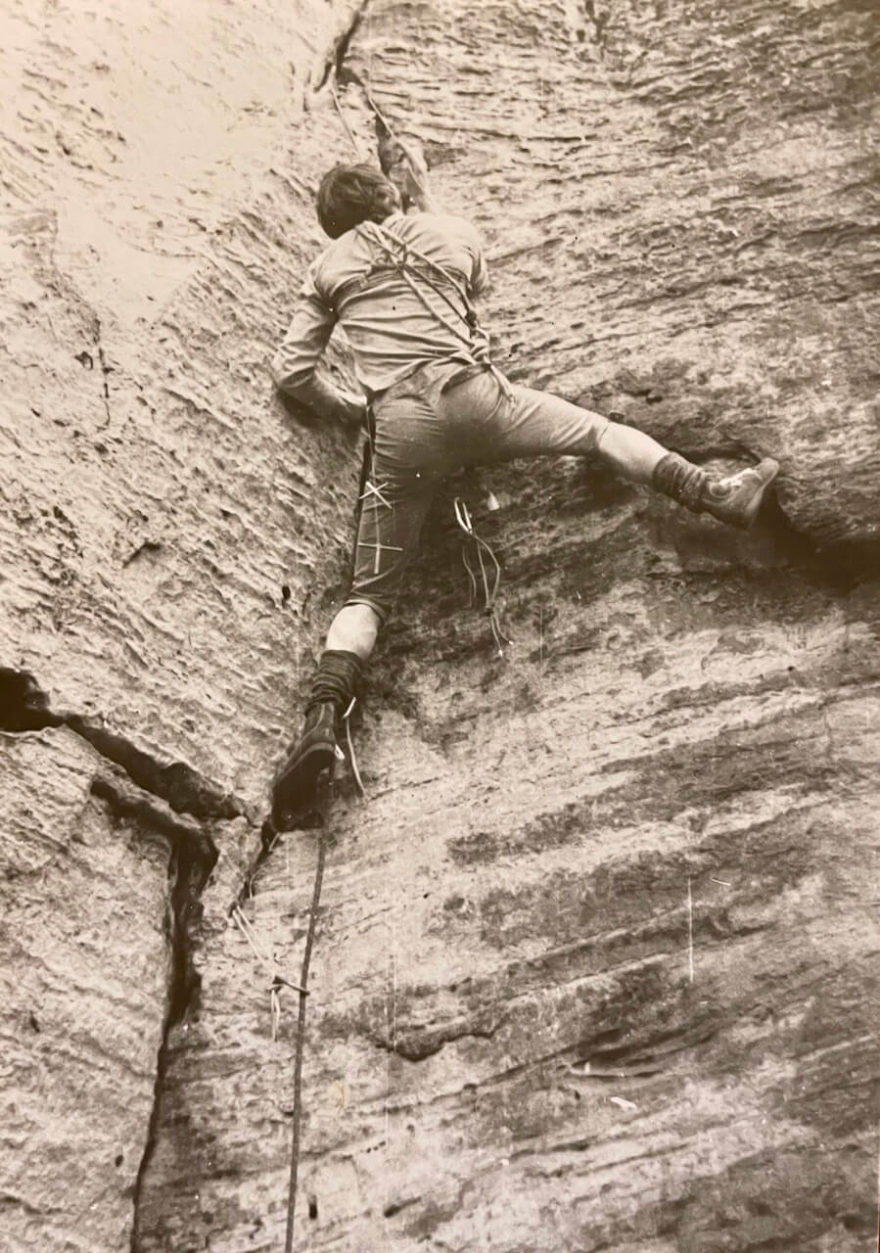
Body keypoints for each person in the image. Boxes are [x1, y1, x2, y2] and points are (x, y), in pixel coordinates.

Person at [268, 144, 778, 827]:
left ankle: (322, 721)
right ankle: (712, 492)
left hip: (402, 432)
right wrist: (422, 192)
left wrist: (351, 408)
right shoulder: (443, 231)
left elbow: (291, 373)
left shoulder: (328, 267)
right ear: (388, 197)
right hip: (477, 399)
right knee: (596, 431)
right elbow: (472, 277)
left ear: (333, 224)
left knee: (369, 593)